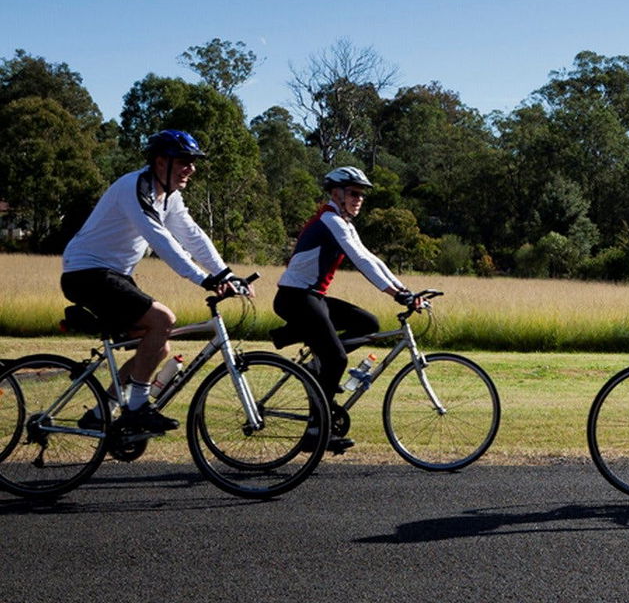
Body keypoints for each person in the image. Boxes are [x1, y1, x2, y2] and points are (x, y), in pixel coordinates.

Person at [60, 130, 251, 433]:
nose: (191, 168)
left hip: (113, 274)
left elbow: (192, 235)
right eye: (184, 161)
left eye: (193, 162)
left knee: (158, 347)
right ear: (161, 162)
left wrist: (225, 273)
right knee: (163, 319)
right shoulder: (135, 188)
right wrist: (203, 278)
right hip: (87, 272)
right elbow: (160, 239)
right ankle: (137, 408)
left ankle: (102, 410)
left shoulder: (168, 196)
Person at [274, 166, 415, 454]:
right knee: (337, 359)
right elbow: (360, 261)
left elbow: (370, 257)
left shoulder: (344, 223)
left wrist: (404, 290)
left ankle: (316, 364)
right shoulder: (330, 220)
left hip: (312, 297)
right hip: (295, 297)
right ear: (336, 193)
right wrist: (395, 295)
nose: (358, 199)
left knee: (368, 324)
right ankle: (316, 432)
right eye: (353, 193)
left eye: (361, 195)